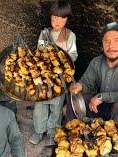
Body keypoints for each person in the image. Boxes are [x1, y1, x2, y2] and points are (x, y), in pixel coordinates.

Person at [65, 21, 118, 145]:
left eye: (116, 40)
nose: (110, 46)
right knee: (76, 98)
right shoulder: (96, 62)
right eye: (106, 41)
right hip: (100, 108)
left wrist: (103, 97)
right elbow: (88, 83)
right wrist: (79, 86)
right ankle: (73, 138)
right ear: (102, 46)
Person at [29, 0, 78, 145]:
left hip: (60, 78)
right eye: (54, 17)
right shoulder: (44, 33)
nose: (56, 21)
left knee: (56, 107)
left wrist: (64, 57)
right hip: (44, 77)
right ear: (50, 18)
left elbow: (74, 55)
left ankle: (51, 132)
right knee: (40, 106)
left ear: (66, 19)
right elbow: (39, 52)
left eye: (60, 18)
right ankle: (39, 131)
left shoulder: (70, 36)